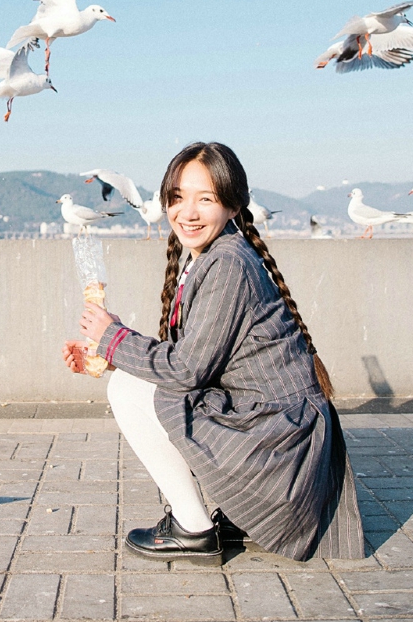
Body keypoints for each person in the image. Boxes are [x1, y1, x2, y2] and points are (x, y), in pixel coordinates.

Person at [62, 141, 364, 563]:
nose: (188, 212)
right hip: (280, 441)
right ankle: (240, 516)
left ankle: (194, 529)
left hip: (284, 461)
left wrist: (113, 337)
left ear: (234, 205)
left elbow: (185, 371)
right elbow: (193, 359)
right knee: (130, 379)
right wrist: (108, 353)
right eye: (178, 198)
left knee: (128, 390)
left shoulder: (227, 264)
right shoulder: (216, 256)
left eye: (206, 198)